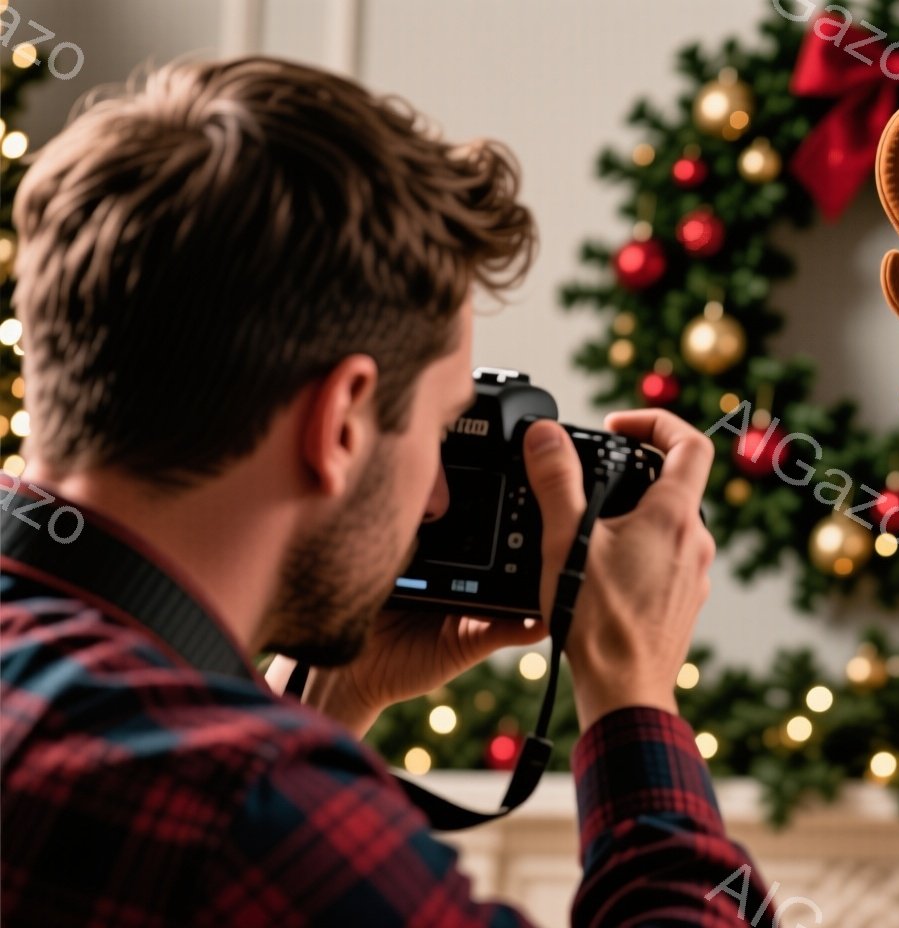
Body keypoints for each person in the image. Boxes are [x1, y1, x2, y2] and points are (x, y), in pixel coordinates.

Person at [0, 56, 776, 926]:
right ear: (340, 422)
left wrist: (324, 701)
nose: (439, 499)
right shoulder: (245, 812)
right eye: (441, 430)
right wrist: (631, 686)